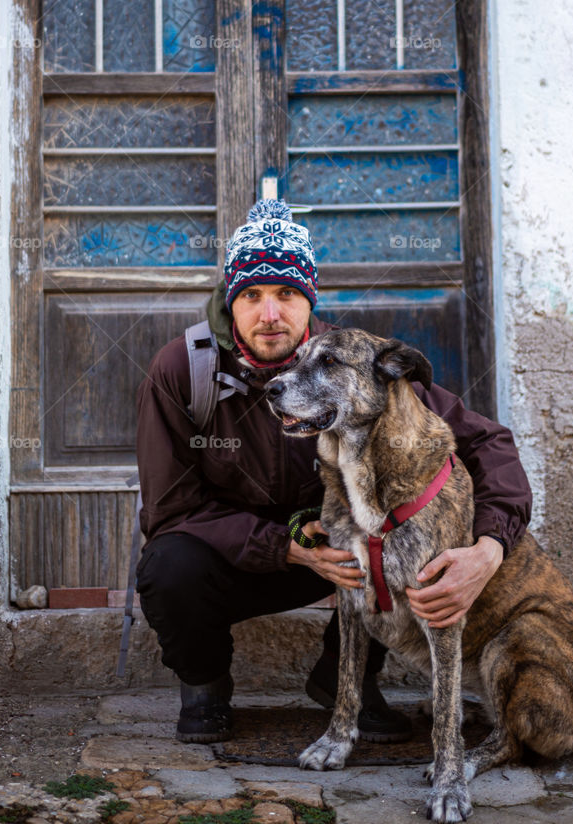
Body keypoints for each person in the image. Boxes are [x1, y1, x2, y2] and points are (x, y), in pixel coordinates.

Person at [135, 199, 532, 744]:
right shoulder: (183, 370)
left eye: (286, 294)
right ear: (230, 304)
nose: (269, 314)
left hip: (340, 553)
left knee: (389, 534)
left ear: (309, 300)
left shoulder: (352, 361)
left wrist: (490, 548)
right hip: (231, 556)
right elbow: (170, 509)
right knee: (167, 565)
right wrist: (287, 546)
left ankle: (343, 680)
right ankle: (204, 686)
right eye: (251, 295)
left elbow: (488, 442)